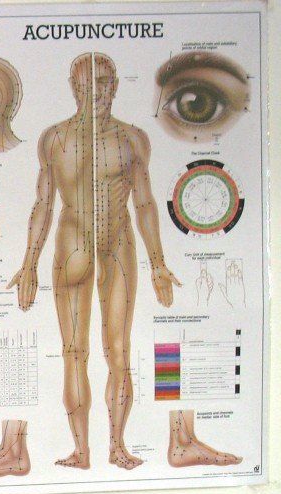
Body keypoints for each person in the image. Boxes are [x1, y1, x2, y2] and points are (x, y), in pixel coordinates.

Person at [9, 53, 181, 470]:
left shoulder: (132, 138)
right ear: (73, 87)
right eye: (88, 86)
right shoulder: (55, 138)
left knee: (118, 351)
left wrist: (158, 262)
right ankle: (83, 452)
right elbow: (42, 204)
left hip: (116, 243)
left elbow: (144, 204)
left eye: (104, 85)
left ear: (116, 86)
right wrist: (29, 263)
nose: (97, 93)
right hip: (73, 244)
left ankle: (115, 446)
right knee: (74, 351)